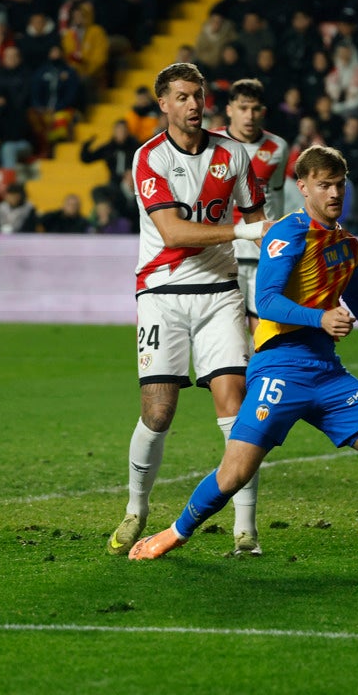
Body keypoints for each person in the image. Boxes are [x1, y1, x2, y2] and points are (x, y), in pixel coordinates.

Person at [129, 144, 358, 562]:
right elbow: (267, 301)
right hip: (280, 366)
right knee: (235, 473)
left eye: (339, 184)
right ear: (303, 187)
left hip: (327, 372)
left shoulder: (346, 244)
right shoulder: (288, 234)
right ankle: (174, 533)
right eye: (324, 185)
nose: (334, 193)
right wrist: (320, 318)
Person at [107, 62, 270, 558]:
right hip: (161, 293)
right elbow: (174, 233)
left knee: (235, 406)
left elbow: (259, 221)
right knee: (158, 412)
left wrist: (276, 274)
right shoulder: (149, 157)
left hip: (220, 292)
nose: (193, 105)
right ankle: (136, 508)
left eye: (197, 96)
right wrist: (242, 231)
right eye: (182, 97)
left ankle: (245, 530)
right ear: (163, 104)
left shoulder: (233, 154)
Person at [216, 79, 289, 333]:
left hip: (263, 251)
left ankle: (263, 362)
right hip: (225, 251)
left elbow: (275, 197)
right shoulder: (213, 143)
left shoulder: (278, 147)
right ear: (229, 110)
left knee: (265, 326)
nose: (249, 115)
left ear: (263, 112)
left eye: (255, 109)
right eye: (243, 108)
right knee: (228, 328)